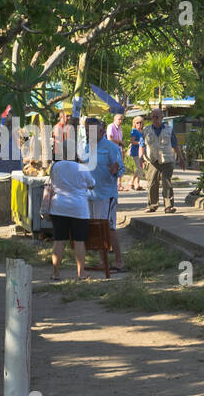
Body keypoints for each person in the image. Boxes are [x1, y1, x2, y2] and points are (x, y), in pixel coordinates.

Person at [83, 117, 125, 272]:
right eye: (87, 131)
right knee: (96, 229)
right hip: (90, 195)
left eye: (92, 131)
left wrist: (116, 171)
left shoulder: (110, 147)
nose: (89, 133)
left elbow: (121, 167)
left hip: (106, 195)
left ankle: (119, 262)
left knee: (110, 228)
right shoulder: (87, 147)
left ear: (101, 131)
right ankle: (103, 261)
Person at [49, 149, 95, 281]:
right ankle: (81, 273)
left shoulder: (55, 167)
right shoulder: (82, 168)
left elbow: (52, 183)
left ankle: (56, 273)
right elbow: (92, 184)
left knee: (59, 241)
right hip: (78, 209)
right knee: (79, 242)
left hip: (58, 207)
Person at [141, 107, 184, 213]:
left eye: (157, 116)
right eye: (153, 116)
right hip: (152, 160)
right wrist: (141, 157)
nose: (155, 118)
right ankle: (152, 205)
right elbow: (142, 145)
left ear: (162, 117)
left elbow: (175, 144)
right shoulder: (146, 130)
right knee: (152, 183)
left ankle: (168, 206)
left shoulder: (168, 129)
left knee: (167, 183)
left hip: (167, 160)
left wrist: (181, 158)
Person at [128, 116, 145, 190]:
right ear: (134, 123)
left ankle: (137, 183)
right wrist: (140, 143)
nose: (139, 124)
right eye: (137, 122)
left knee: (141, 168)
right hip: (135, 151)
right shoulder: (134, 131)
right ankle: (132, 181)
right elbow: (132, 141)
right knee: (138, 168)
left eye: (140, 122)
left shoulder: (142, 131)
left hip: (142, 151)